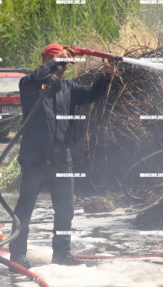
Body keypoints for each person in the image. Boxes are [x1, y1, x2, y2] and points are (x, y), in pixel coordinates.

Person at [9, 43, 116, 269]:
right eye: (58, 63)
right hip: (34, 160)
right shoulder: (29, 85)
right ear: (45, 60)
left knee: (66, 209)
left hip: (61, 160)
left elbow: (92, 94)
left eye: (65, 65)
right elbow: (38, 75)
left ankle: (62, 253)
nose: (62, 69)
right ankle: (17, 256)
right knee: (25, 209)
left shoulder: (68, 88)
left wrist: (104, 78)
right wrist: (55, 61)